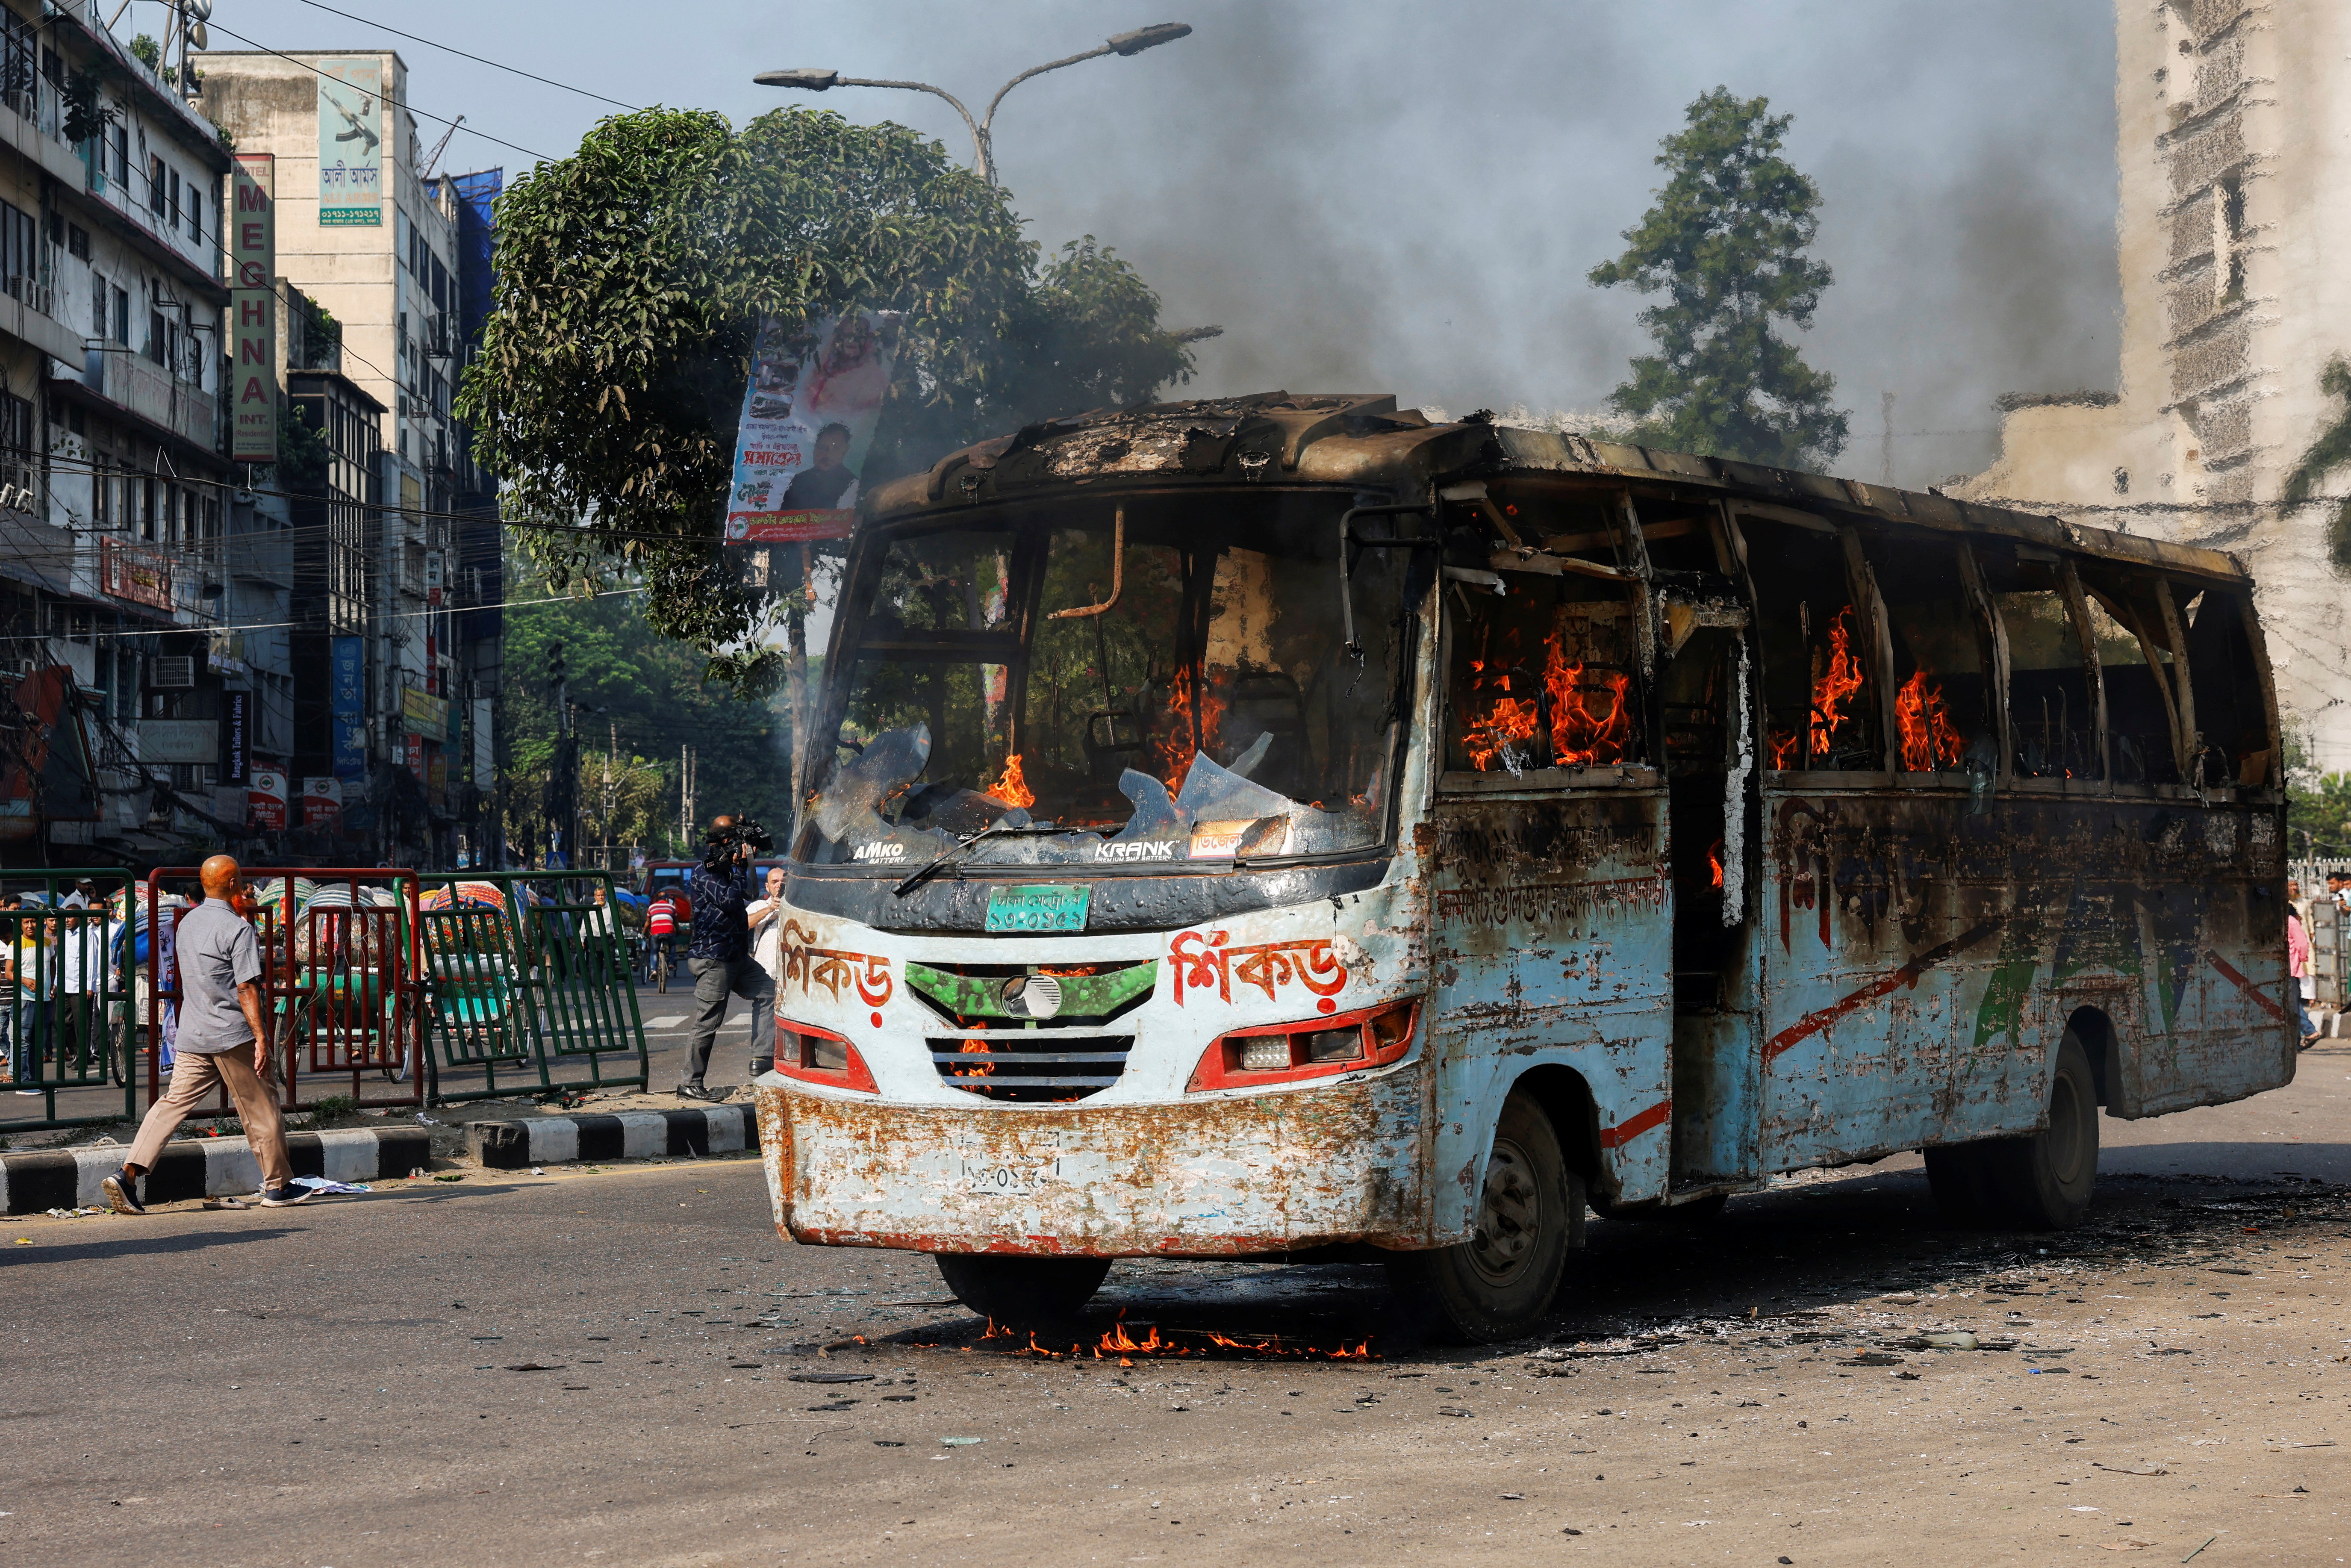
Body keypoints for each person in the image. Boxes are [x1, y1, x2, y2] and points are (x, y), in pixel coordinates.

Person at [102, 855, 316, 1214]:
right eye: (244, 882)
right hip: (232, 1035)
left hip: (193, 1032)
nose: (247, 887)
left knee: (171, 1105)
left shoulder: (188, 923)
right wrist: (262, 1038)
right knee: (262, 1108)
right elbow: (246, 989)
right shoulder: (238, 930)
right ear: (233, 885)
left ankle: (127, 1175)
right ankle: (278, 1186)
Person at [677, 816, 775, 1102]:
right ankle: (689, 1083)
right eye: (735, 843)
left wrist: (745, 865)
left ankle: (763, 1060)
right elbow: (732, 901)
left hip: (735, 955)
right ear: (723, 842)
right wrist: (738, 868)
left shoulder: (730, 869)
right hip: (713, 956)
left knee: (770, 993)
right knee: (709, 1021)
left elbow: (750, 894)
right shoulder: (704, 871)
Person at [781, 422, 857, 511]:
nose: (827, 455)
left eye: (836, 449)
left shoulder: (853, 485)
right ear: (815, 448)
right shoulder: (799, 480)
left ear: (845, 451)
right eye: (822, 447)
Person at [2287, 882, 2318, 1048]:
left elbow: (2303, 944)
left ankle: (2309, 1031)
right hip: (2289, 967)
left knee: (2292, 1003)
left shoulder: (2291, 922)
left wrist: (2302, 958)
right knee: (2291, 1004)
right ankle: (2297, 1041)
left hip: (2291, 968)